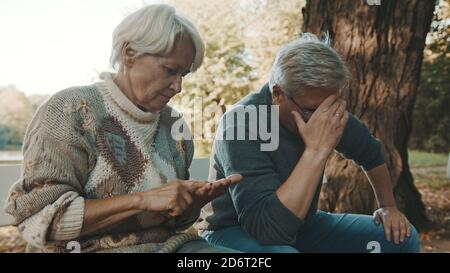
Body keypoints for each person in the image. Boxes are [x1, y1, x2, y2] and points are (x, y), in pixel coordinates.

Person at [4, 4, 241, 253]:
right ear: (130, 53)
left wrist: (190, 205)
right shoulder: (71, 110)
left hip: (172, 247)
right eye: (170, 70)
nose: (178, 86)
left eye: (184, 74)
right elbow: (38, 219)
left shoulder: (174, 126)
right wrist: (142, 201)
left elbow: (173, 222)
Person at [195, 33, 420, 253]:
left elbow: (370, 152)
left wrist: (388, 206)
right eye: (311, 110)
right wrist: (315, 151)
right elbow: (267, 230)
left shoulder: (322, 109)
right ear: (277, 94)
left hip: (302, 224)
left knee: (403, 238)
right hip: (232, 231)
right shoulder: (241, 124)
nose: (321, 119)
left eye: (329, 107)